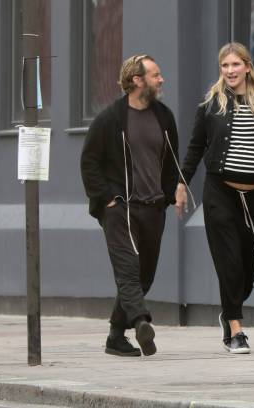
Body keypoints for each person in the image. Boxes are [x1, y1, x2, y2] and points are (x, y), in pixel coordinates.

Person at [175, 42, 254, 354]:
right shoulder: (210, 107)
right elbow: (194, 150)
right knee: (229, 263)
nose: (230, 71)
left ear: (247, 67)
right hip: (221, 194)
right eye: (225, 66)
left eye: (235, 65)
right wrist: (182, 183)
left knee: (251, 261)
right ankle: (235, 330)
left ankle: (228, 310)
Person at [81, 54, 180, 357]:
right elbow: (89, 161)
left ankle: (115, 336)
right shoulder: (110, 119)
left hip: (153, 208)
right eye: (155, 75)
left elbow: (172, 160)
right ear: (137, 80)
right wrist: (106, 200)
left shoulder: (163, 116)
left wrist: (172, 191)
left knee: (144, 275)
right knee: (128, 269)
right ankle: (140, 322)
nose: (161, 80)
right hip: (120, 207)